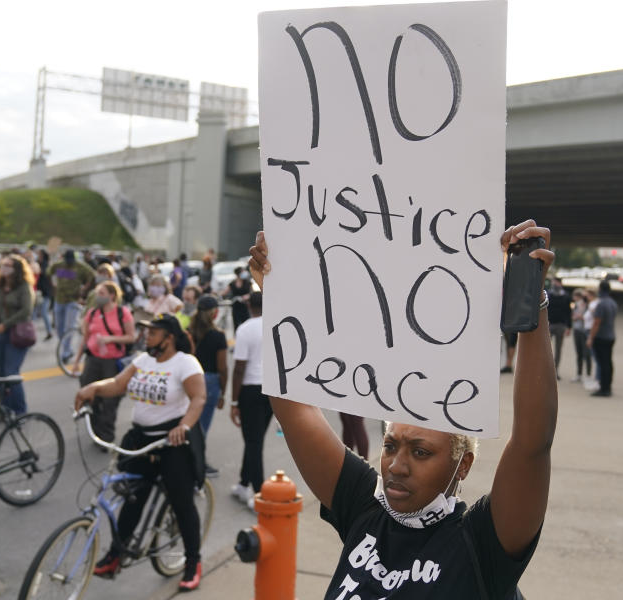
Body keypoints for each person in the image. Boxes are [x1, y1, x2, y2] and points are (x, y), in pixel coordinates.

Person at [246, 219, 555, 598]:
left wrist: (530, 300)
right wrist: (277, 291)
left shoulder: (481, 544)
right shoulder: (365, 507)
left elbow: (531, 442)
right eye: (391, 445)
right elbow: (295, 411)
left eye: (421, 452)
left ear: (463, 464)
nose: (396, 465)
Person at [75, 314, 206, 591]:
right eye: (146, 331)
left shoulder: (185, 363)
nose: (147, 336)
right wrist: (93, 388)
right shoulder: (143, 361)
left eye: (154, 332)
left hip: (172, 441)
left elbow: (198, 398)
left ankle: (193, 561)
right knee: (132, 498)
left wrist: (184, 426)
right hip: (141, 441)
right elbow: (118, 384)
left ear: (169, 338)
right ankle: (116, 554)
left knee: (182, 503)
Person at [72, 281, 136, 444]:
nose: (98, 297)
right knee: (91, 396)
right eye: (97, 293)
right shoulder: (92, 314)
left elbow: (131, 337)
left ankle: (106, 435)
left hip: (112, 362)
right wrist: (76, 361)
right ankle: (95, 430)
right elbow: (85, 339)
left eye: (102, 293)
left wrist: (110, 339)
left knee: (110, 400)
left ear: (112, 295)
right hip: (93, 360)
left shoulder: (123, 313)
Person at [229, 292, 272, 509]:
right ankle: (244, 483)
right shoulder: (276, 323)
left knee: (253, 442)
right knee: (256, 440)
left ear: (249, 305)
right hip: (272, 390)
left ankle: (259, 494)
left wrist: (234, 402)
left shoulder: (245, 328)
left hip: (251, 389)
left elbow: (239, 368)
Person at [0, 254, 35, 415]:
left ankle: (20, 410)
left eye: (8, 265)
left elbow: (26, 311)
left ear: (17, 270)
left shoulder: (24, 287)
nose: (4, 268)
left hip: (15, 335)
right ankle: (3, 409)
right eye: (3, 265)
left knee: (10, 373)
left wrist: (5, 324)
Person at [188, 294, 227, 477]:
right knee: (202, 427)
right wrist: (223, 393)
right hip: (209, 382)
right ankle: (197, 465)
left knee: (189, 422)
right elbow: (222, 367)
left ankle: (188, 461)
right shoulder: (218, 336)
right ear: (214, 313)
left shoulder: (188, 332)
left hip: (189, 380)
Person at [49, 250, 94, 361]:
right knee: (59, 328)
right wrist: (53, 284)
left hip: (72, 300)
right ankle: (65, 347)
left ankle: (66, 351)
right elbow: (48, 272)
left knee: (69, 326)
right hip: (59, 300)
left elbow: (92, 275)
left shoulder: (80, 267)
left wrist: (84, 288)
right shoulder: (59, 265)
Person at [586, 280, 617, 397]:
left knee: (602, 363)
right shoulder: (612, 303)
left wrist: (590, 338)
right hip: (610, 336)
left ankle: (604, 388)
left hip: (601, 337)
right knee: (608, 363)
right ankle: (608, 386)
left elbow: (596, 323)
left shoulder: (601, 304)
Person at [546, 277, 572, 379]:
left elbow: (568, 312)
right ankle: (547, 370)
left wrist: (569, 326)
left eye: (556, 282)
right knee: (547, 349)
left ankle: (555, 371)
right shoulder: (548, 294)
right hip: (550, 324)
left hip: (561, 325)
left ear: (560, 283)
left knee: (558, 349)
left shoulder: (566, 296)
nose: (554, 284)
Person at [570, 289, 592, 383]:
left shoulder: (589, 305)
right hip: (577, 329)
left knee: (587, 354)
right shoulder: (576, 305)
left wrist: (580, 317)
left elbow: (590, 317)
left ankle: (588, 374)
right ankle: (579, 374)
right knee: (579, 353)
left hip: (585, 331)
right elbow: (573, 314)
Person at [33, 247, 53, 340]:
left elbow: (44, 274)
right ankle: (32, 333)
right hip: (38, 292)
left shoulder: (45, 265)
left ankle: (49, 331)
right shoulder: (38, 263)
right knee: (34, 314)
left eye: (39, 254)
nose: (38, 256)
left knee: (44, 312)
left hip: (45, 293)